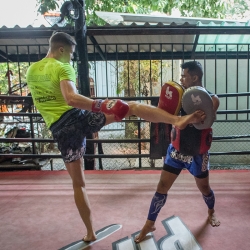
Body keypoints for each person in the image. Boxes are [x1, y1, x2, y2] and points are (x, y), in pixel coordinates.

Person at [26, 32, 205, 242]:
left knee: (78, 184)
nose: (72, 58)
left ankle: (90, 233)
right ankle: (175, 120)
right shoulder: (61, 67)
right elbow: (71, 98)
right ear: (62, 49)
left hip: (60, 130)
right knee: (134, 107)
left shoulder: (31, 71)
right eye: (72, 54)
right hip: (77, 118)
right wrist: (102, 104)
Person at [135, 61, 220, 243]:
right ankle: (149, 223)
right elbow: (173, 120)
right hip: (176, 150)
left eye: (184, 75)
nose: (181, 79)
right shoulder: (179, 97)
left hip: (198, 154)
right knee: (161, 187)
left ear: (195, 77)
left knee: (204, 188)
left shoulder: (212, 99)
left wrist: (190, 118)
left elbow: (204, 121)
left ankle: (211, 212)